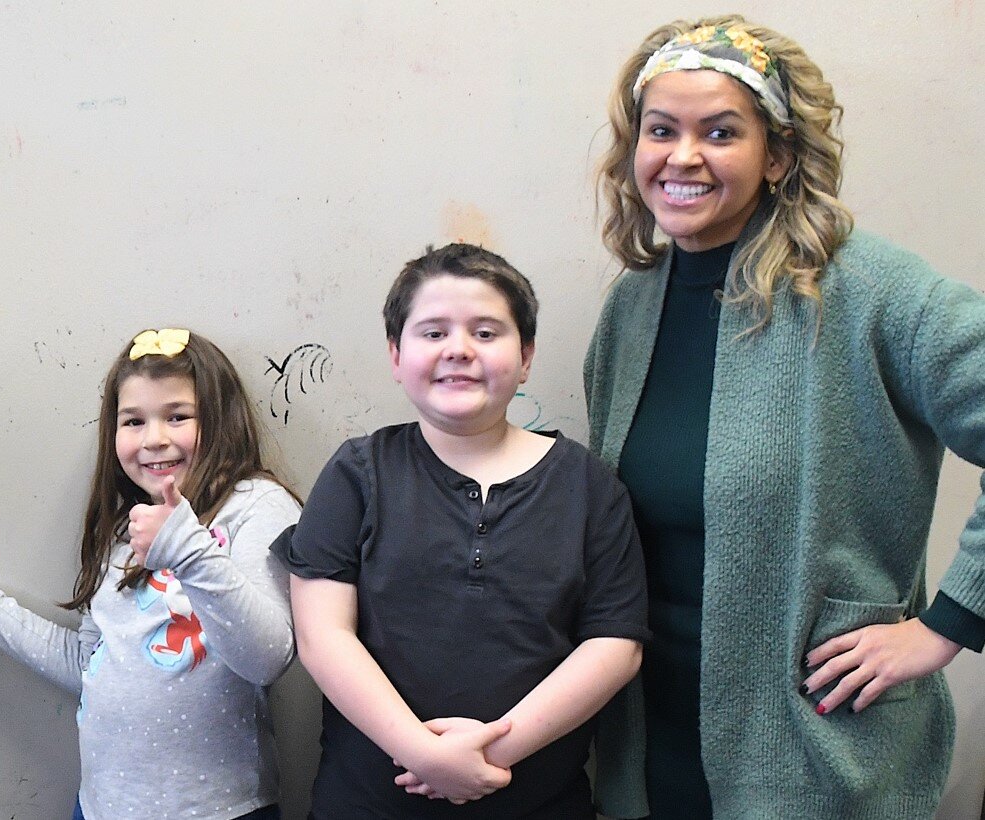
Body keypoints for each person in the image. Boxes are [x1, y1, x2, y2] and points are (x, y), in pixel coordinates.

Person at [585, 14, 985, 820]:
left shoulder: (869, 290)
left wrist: (950, 620)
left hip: (813, 756)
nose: (682, 156)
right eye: (659, 130)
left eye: (720, 131)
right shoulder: (631, 309)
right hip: (648, 741)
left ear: (777, 155)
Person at [270, 243, 649, 818]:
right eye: (433, 333)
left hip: (535, 802)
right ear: (396, 356)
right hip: (368, 802)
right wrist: (422, 752)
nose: (459, 350)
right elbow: (323, 636)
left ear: (526, 357)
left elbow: (614, 647)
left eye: (486, 332)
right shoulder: (358, 472)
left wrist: (488, 753)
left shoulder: (591, 487)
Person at [0, 328, 301, 820]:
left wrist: (186, 549)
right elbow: (91, 664)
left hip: (218, 810)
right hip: (102, 807)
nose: (154, 438)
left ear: (219, 420)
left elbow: (267, 659)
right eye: (134, 421)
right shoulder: (123, 532)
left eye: (177, 417)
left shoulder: (256, 506)